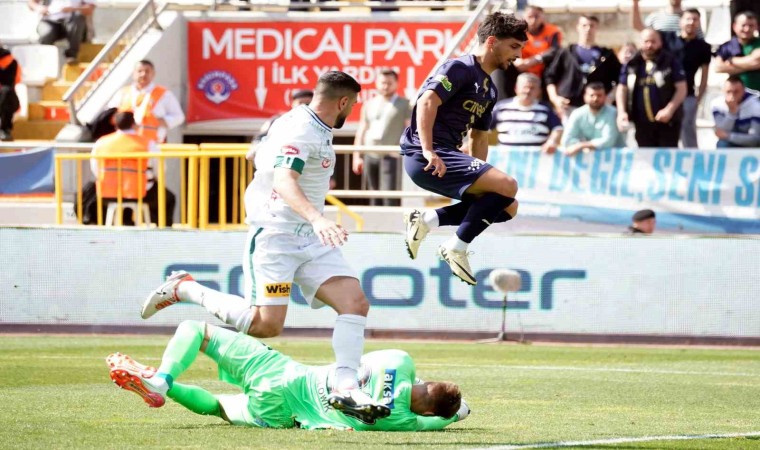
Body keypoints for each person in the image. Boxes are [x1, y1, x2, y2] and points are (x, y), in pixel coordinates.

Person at [141, 71, 389, 422]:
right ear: (344, 102)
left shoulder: (299, 120)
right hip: (277, 236)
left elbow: (258, 157)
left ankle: (345, 385)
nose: (352, 112)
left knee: (355, 303)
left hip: (309, 236)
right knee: (265, 326)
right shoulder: (303, 130)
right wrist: (318, 219)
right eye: (353, 105)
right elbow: (284, 180)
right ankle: (186, 288)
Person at [107, 320, 470, 430]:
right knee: (218, 407)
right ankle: (166, 390)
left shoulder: (400, 361)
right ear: (428, 411)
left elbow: (412, 383)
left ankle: (163, 379)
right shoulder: (405, 422)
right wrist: (454, 413)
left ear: (424, 381)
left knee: (196, 330)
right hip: (282, 414)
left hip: (283, 373)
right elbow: (447, 417)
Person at [400, 12, 527, 286]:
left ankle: (428, 220)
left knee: (508, 206)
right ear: (491, 41)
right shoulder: (459, 68)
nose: (518, 55)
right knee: (508, 185)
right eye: (514, 46)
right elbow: (426, 102)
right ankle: (455, 248)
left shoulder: (490, 90)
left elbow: (479, 137)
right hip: (426, 155)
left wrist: (481, 181)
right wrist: (428, 149)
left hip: (448, 155)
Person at [89, 111, 176, 226]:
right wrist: (153, 178)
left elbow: (95, 168)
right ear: (134, 124)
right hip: (140, 192)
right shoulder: (147, 143)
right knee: (168, 198)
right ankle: (163, 229)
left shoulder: (101, 143)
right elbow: (160, 168)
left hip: (108, 193)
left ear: (115, 125)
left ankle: (126, 221)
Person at [616, 28, 687, 148]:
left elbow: (681, 89)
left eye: (653, 41)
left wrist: (669, 110)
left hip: (667, 123)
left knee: (667, 154)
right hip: (642, 124)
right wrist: (621, 112)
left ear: (660, 42)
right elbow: (622, 88)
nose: (649, 45)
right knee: (645, 154)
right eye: (646, 41)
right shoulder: (632, 64)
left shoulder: (670, 61)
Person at [544, 15, 621, 122]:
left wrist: (610, 98)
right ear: (578, 27)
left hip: (598, 108)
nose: (588, 29)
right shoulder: (567, 52)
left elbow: (620, 79)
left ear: (597, 28)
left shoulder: (607, 54)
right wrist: (554, 98)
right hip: (569, 106)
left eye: (591, 26)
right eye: (584, 25)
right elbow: (550, 77)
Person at [352, 70, 410, 206]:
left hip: (390, 155)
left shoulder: (405, 104)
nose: (385, 86)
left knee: (389, 195)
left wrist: (402, 150)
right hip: (370, 154)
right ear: (377, 83)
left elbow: (410, 130)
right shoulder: (369, 104)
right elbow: (361, 130)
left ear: (396, 84)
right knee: (373, 194)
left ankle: (391, 220)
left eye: (389, 83)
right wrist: (357, 156)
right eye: (383, 82)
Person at [659, 9, 712, 149]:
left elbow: (705, 76)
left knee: (688, 131)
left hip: (688, 95)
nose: (691, 22)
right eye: (688, 19)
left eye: (695, 19)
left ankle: (693, 160)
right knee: (664, 130)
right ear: (680, 21)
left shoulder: (703, 47)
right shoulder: (668, 40)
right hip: (665, 95)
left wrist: (698, 98)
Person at [107, 60, 185, 145]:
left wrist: (158, 121)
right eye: (139, 71)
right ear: (133, 74)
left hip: (153, 144)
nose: (143, 74)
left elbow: (179, 117)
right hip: (125, 143)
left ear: (153, 74)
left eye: (147, 71)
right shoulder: (122, 93)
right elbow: (110, 115)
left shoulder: (164, 94)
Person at [491, 73, 562, 154]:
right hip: (506, 157)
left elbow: (558, 128)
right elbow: (483, 128)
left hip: (535, 158)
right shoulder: (501, 108)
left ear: (539, 91)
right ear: (516, 88)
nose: (528, 91)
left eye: (532, 88)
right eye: (525, 87)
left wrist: (552, 141)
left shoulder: (546, 109)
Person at [561, 82, 625, 156]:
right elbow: (566, 140)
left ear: (605, 97)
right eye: (592, 95)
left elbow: (608, 141)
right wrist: (581, 145)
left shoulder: (613, 113)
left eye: (599, 95)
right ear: (585, 97)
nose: (595, 99)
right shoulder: (577, 113)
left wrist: (581, 146)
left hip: (615, 158)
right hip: (590, 159)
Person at [27, 0, 94, 64]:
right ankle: (43, 60)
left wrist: (72, 9)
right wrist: (39, 8)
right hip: (50, 21)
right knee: (47, 33)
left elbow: (89, 9)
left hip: (71, 23)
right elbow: (31, 3)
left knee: (78, 18)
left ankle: (71, 56)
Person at [715, 11, 760, 92]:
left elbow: (757, 62)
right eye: (743, 25)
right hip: (736, 95)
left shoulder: (758, 43)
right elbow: (718, 67)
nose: (747, 29)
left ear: (757, 27)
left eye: (751, 26)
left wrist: (731, 60)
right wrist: (751, 65)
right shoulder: (727, 46)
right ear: (734, 26)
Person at [710, 76, 760, 148]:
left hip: (750, 146)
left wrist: (729, 136)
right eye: (728, 92)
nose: (732, 96)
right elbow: (720, 133)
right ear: (723, 91)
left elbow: (755, 139)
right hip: (730, 142)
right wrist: (732, 113)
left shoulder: (756, 106)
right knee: (722, 144)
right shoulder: (717, 105)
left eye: (736, 92)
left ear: (743, 91)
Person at [0, 43, 21, 142]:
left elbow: (10, 82)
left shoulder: (11, 61)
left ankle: (5, 130)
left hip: (7, 100)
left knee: (6, 92)